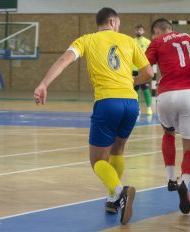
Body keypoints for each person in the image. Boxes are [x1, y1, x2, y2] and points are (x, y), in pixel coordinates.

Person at [33, 7, 154, 225]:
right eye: (118, 22)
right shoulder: (129, 41)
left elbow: (63, 60)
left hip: (107, 102)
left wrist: (43, 83)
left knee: (98, 160)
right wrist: (130, 82)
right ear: (112, 21)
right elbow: (149, 73)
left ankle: (119, 191)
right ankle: (112, 199)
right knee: (118, 150)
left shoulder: (86, 40)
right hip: (131, 103)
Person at [135, 18, 190, 214]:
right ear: (171, 28)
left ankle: (171, 178)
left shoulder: (156, 42)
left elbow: (146, 70)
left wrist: (130, 81)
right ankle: (185, 182)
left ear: (156, 30)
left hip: (166, 94)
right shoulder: (189, 37)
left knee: (168, 133)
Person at [132, 24, 153, 115]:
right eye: (137, 30)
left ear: (143, 31)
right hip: (134, 69)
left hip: (143, 69)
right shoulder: (132, 41)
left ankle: (149, 108)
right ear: (135, 31)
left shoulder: (147, 42)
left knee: (145, 89)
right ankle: (137, 108)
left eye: (140, 30)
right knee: (135, 90)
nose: (139, 31)